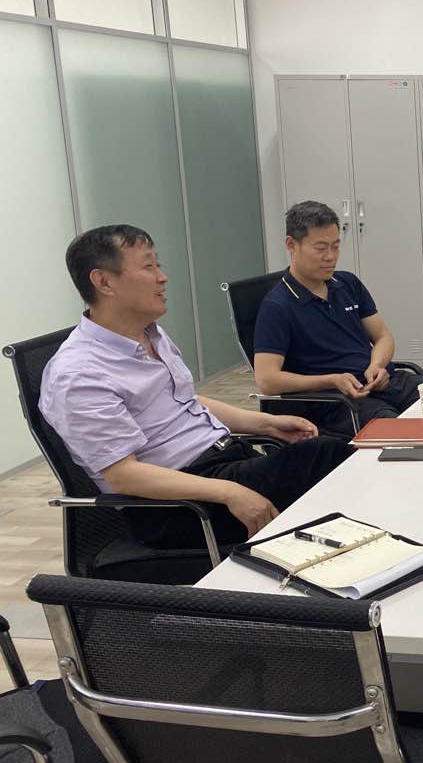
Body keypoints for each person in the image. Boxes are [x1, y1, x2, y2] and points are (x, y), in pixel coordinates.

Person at [40, 225, 352, 549]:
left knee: (333, 454)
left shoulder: (150, 334)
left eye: (158, 265)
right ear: (104, 282)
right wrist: (231, 492)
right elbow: (123, 476)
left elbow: (186, 400)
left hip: (221, 464)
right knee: (325, 458)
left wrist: (267, 424)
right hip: (176, 506)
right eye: (149, 267)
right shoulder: (78, 373)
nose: (163, 277)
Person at [253, 201, 423, 438]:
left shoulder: (347, 283)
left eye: (336, 246)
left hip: (380, 382)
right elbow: (267, 380)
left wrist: (376, 365)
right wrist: (332, 380)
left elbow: (383, 336)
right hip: (334, 400)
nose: (330, 257)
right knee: (398, 431)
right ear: (291, 244)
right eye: (320, 248)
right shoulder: (277, 306)